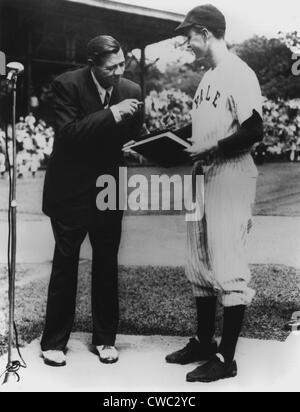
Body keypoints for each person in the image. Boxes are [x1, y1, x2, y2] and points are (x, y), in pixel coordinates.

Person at [165, 5, 263, 383]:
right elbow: (201, 125)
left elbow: (254, 129)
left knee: (228, 264)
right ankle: (204, 341)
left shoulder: (240, 73)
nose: (186, 43)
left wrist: (211, 149)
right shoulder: (209, 77)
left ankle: (226, 358)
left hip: (230, 172)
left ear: (205, 33)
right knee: (198, 261)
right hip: (202, 175)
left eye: (188, 36)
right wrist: (159, 142)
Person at [41, 35, 142, 367]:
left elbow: (133, 136)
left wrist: (140, 146)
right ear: (93, 64)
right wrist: (111, 114)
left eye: (122, 64)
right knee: (65, 264)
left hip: (108, 189)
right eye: (111, 67)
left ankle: (105, 339)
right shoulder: (65, 85)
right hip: (70, 191)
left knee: (106, 264)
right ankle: (54, 342)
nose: (118, 72)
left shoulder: (131, 91)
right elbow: (68, 134)